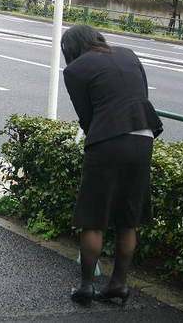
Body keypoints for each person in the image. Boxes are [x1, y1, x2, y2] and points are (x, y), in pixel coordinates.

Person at [61, 24, 163, 307]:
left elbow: (87, 115)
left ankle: (86, 287)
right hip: (143, 136)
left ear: (70, 49)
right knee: (128, 217)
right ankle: (118, 284)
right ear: (97, 38)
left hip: (107, 139)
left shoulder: (76, 69)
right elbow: (140, 95)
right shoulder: (128, 53)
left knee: (94, 217)